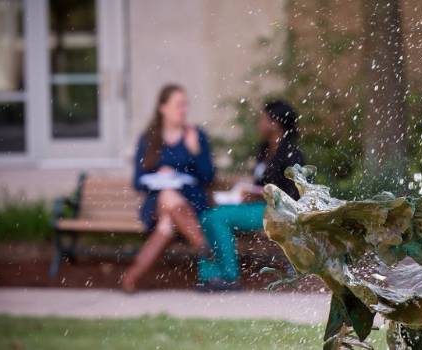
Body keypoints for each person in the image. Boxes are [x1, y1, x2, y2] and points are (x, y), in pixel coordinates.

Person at [197, 100, 303, 290]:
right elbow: (260, 184)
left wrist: (261, 194)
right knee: (206, 216)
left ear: (275, 123)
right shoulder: (264, 150)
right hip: (258, 207)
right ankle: (211, 276)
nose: (259, 123)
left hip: (278, 212)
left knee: (218, 218)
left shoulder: (291, 154)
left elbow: (293, 194)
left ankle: (230, 276)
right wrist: (250, 193)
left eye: (263, 119)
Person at [122, 84, 215, 293]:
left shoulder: (196, 135)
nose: (183, 110)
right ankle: (202, 244)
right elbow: (138, 182)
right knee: (166, 194)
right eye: (178, 105)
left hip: (191, 200)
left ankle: (131, 277)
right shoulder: (148, 139)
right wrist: (158, 176)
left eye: (185, 105)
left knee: (167, 223)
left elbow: (208, 177)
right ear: (163, 107)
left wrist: (195, 151)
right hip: (155, 203)